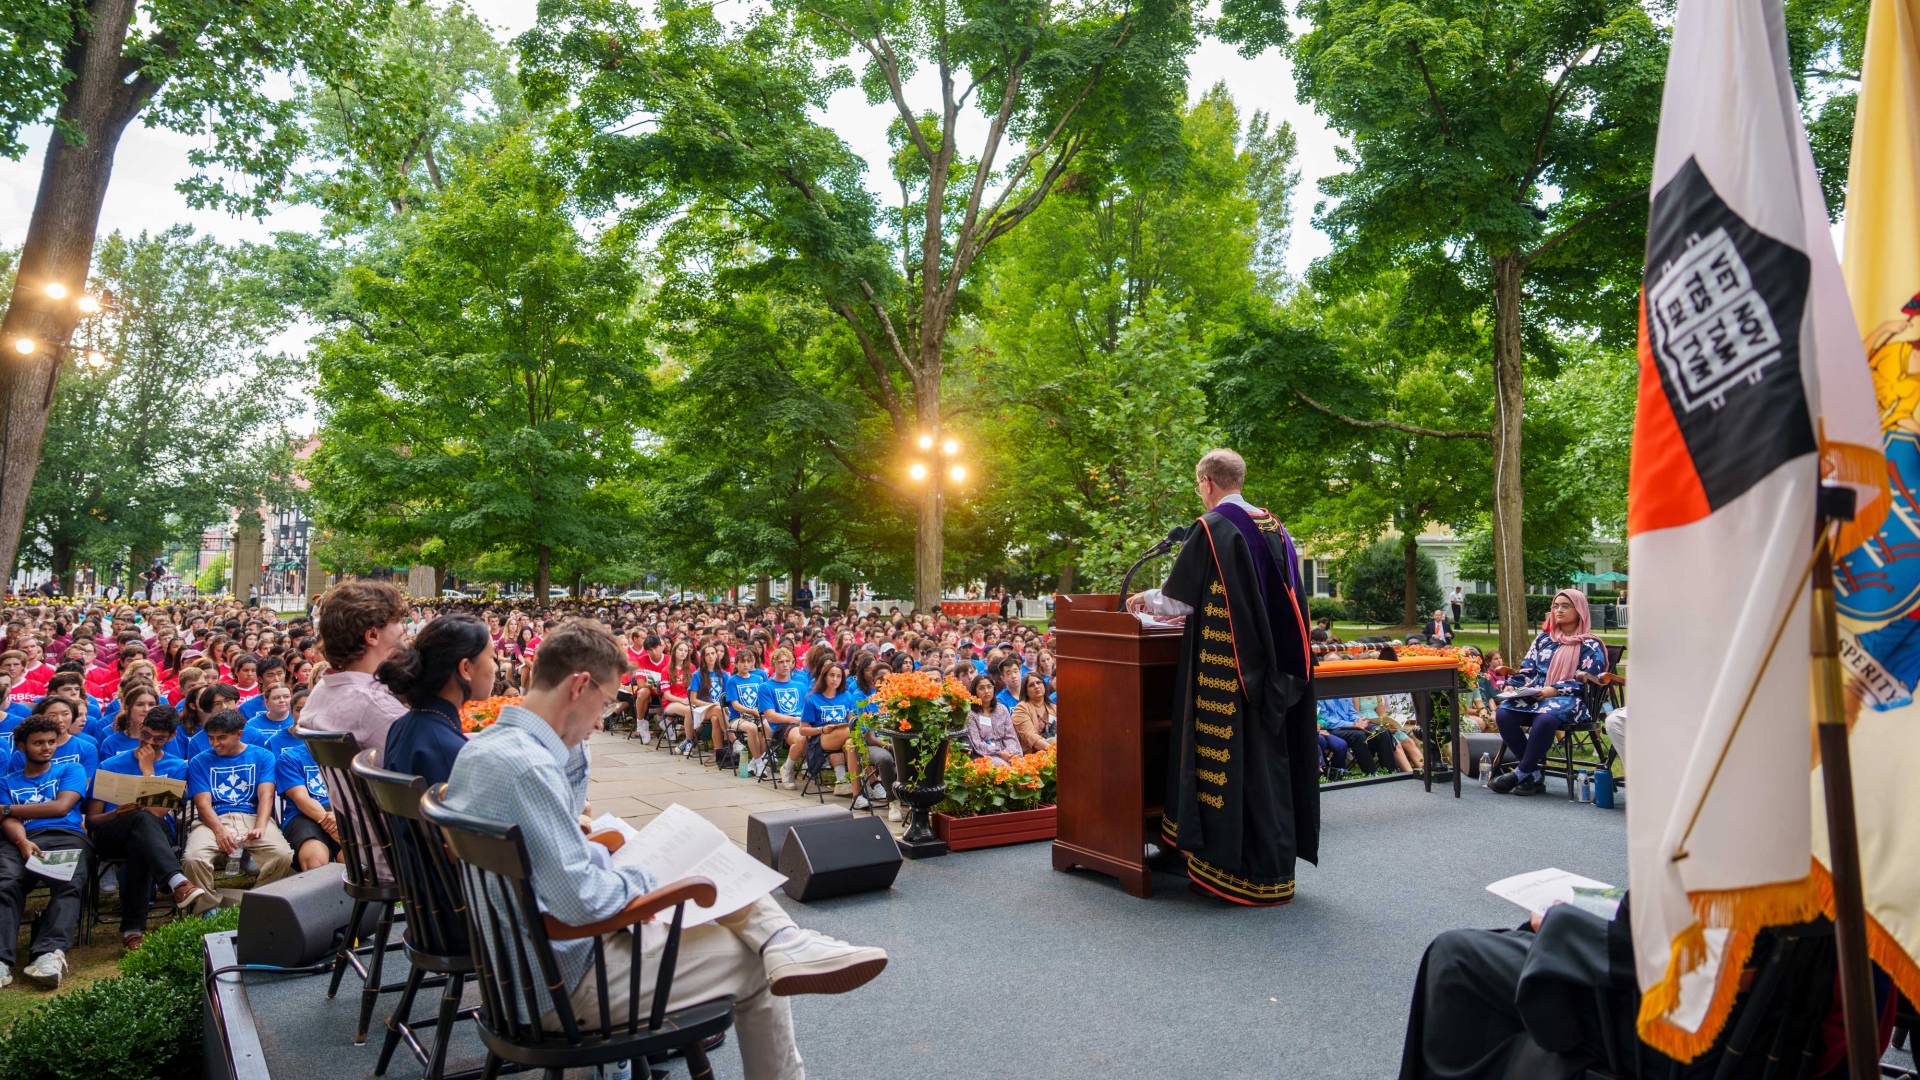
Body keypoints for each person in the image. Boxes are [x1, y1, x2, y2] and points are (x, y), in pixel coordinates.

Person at [438, 619, 887, 1079]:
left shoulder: (486, 749)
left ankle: (783, 938)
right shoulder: (528, 769)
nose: (601, 720)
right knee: (755, 965)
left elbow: (560, 854)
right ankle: (781, 943)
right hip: (561, 982)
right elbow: (583, 902)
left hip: (518, 968)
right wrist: (655, 873)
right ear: (578, 687)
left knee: (708, 886)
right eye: (606, 702)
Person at [1125, 447, 1318, 905]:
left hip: (1229, 676)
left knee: (1235, 766)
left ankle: (1232, 869)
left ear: (1207, 482)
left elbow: (1178, 599)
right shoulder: (1274, 526)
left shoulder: (1213, 528)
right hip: (1272, 672)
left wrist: (1143, 600)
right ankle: (1272, 871)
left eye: (1198, 485)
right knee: (1266, 763)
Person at [87, 708, 211, 948]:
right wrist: (115, 812)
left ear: (172, 736)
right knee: (140, 825)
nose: (149, 742)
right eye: (145, 734)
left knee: (142, 831)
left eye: (158, 739)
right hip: (112, 830)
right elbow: (92, 820)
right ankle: (177, 883)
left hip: (154, 834)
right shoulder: (111, 764)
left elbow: (157, 813)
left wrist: (147, 771)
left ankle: (132, 930)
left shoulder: (176, 767)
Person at [0, 716, 91, 986]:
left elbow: (61, 807)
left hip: (65, 836)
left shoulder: (70, 770)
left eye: (51, 742)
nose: (46, 747)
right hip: (19, 840)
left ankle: (48, 954)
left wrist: (6, 808)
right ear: (21, 746)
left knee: (68, 885)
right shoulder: (7, 782)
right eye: (38, 743)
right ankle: (2, 960)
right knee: (6, 884)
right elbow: (8, 822)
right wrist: (22, 843)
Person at [1491, 590, 1608, 796]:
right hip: (1538, 695)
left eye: (1565, 606)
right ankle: (1534, 773)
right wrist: (1512, 685)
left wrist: (1554, 689)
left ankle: (1520, 773)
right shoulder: (1544, 639)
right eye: (1556, 606)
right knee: (1504, 713)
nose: (1559, 610)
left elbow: (1589, 681)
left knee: (1545, 719)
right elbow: (1528, 670)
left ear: (1579, 610)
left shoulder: (1590, 644)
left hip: (1572, 699)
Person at [182, 709, 294, 898]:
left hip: (252, 816)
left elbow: (266, 795)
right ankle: (207, 905)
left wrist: (260, 827)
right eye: (211, 738)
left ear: (239, 734)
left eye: (221, 738)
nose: (215, 743)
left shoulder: (263, 756)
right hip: (213, 819)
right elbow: (203, 804)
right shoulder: (199, 762)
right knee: (193, 859)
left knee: (282, 854)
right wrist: (219, 830)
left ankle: (258, 900)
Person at [381, 614, 496, 787]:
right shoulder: (450, 751)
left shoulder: (401, 726)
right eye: (491, 657)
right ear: (465, 668)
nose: (494, 667)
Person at [303, 579, 409, 754]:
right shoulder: (377, 706)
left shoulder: (322, 689)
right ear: (373, 634)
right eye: (397, 620)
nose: (403, 629)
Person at [788, 662, 858, 795]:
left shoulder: (847, 696)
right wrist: (822, 729)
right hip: (820, 738)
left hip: (842, 737)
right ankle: (870, 781)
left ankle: (849, 787)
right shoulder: (812, 699)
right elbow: (803, 730)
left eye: (839, 676)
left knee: (851, 743)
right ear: (824, 676)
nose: (835, 679)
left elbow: (851, 719)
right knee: (853, 732)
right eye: (832, 675)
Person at [962, 674, 1021, 765]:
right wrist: (1000, 753)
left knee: (1023, 765)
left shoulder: (1002, 709)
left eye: (989, 687)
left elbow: (1010, 736)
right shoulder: (971, 713)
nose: (986, 691)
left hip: (1006, 751)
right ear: (975, 692)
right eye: (981, 688)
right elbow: (977, 743)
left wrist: (1010, 752)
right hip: (983, 755)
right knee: (1003, 766)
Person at [1010, 673, 1054, 754]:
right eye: (1031, 685)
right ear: (1025, 691)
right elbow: (1031, 737)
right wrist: (1053, 750)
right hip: (1033, 755)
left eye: (1038, 682)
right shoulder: (1021, 709)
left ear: (1044, 685)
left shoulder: (1052, 707)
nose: (1036, 686)